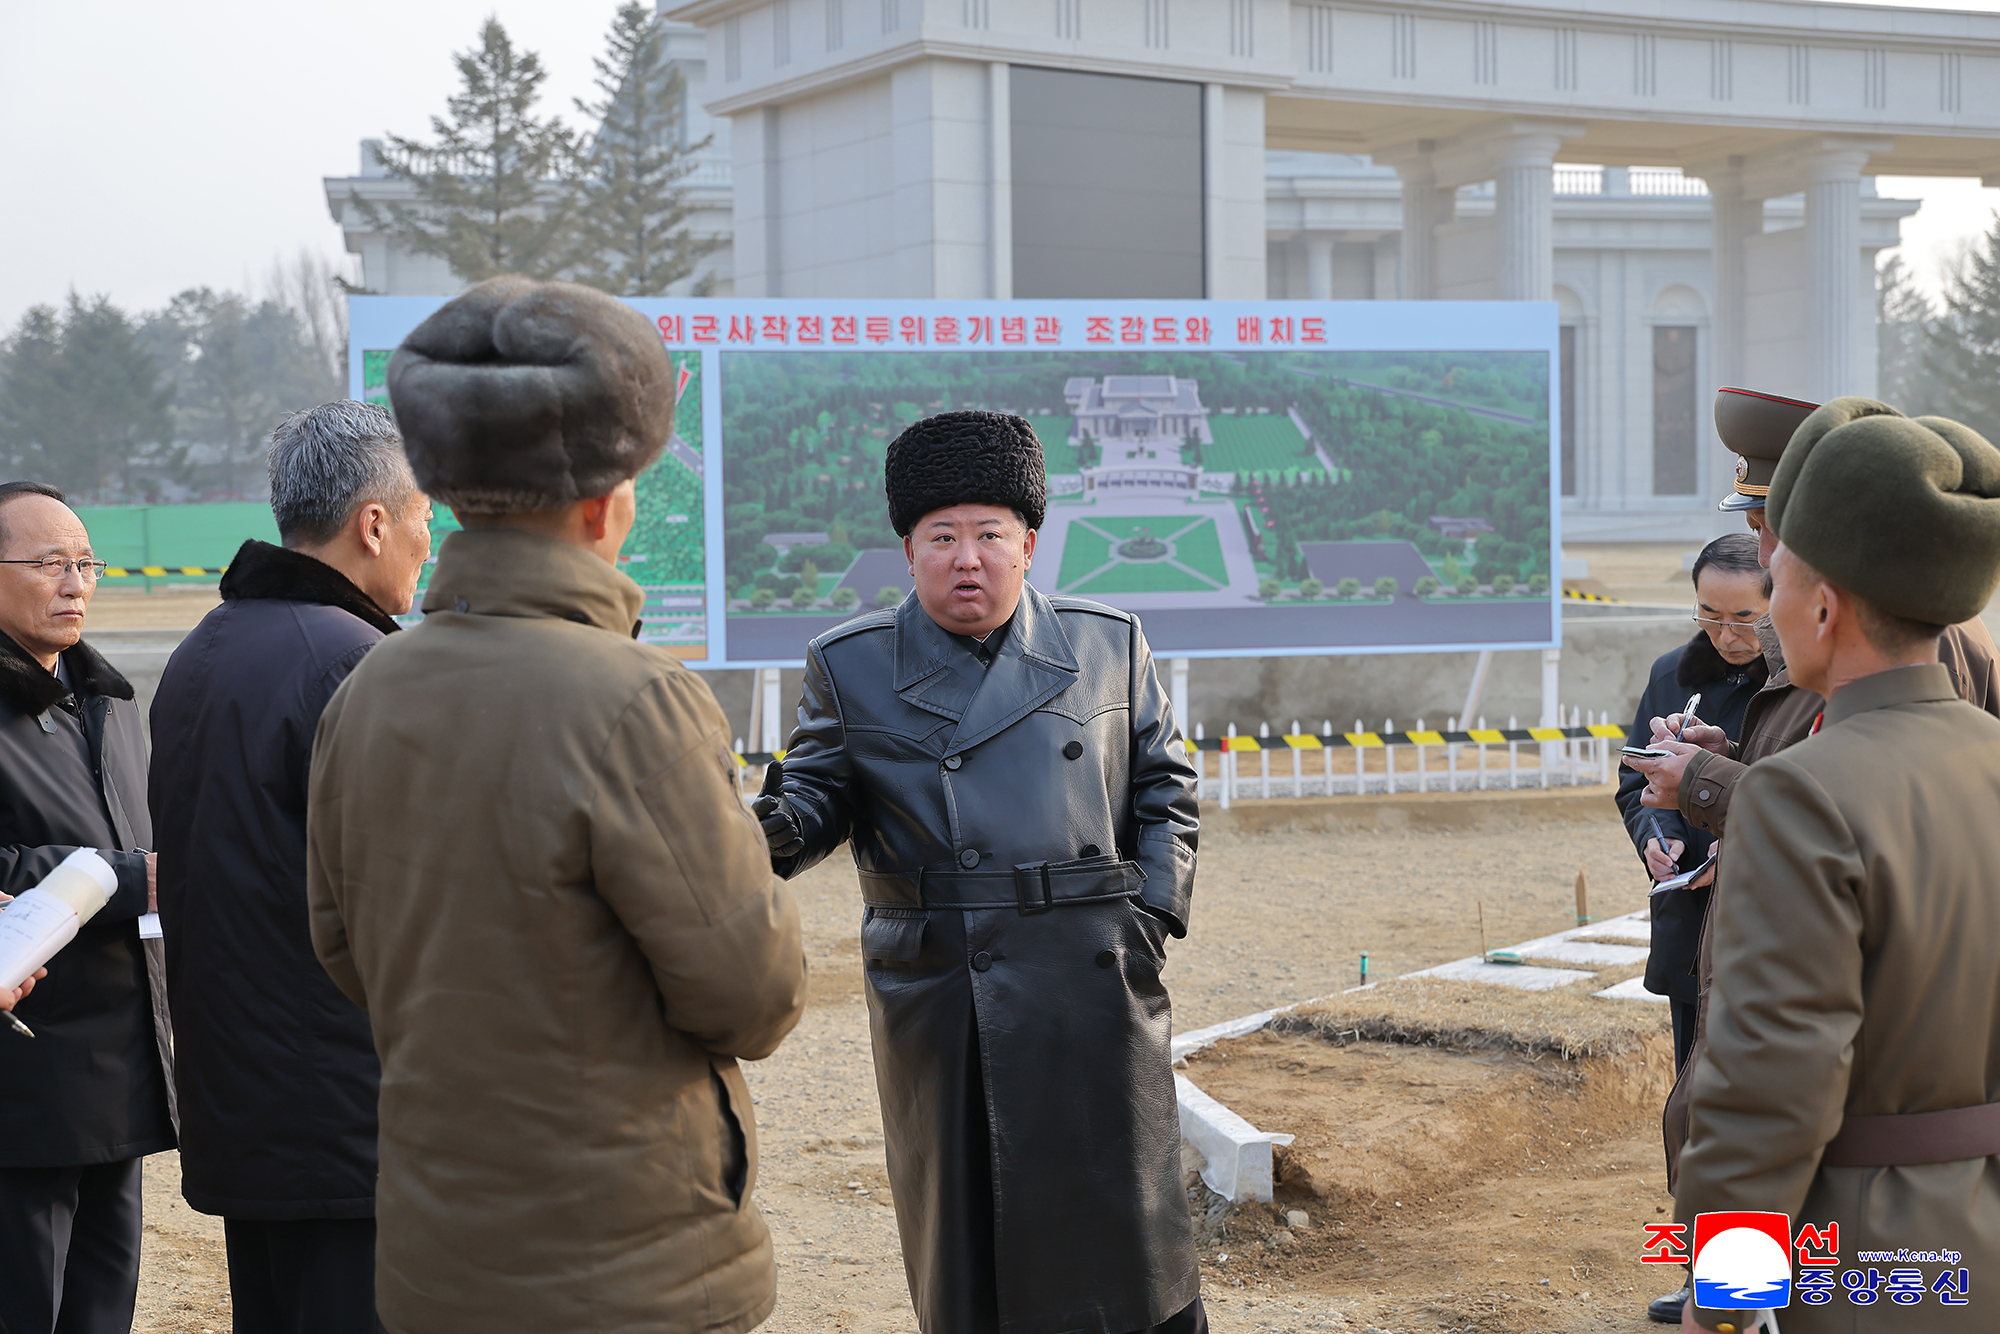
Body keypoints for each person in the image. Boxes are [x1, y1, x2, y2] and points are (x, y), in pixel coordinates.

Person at [306, 276, 807, 1333]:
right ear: (604, 504)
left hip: (437, 1252)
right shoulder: (634, 700)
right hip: (628, 1272)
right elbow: (748, 993)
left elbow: (345, 951)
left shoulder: (366, 689)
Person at [754, 410, 1205, 1334]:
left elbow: (1165, 785)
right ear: (907, 551)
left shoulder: (1108, 642)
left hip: (1092, 977)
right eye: (943, 536)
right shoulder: (852, 664)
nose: (969, 558)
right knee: (972, 1240)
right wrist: (759, 832)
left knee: (1126, 1237)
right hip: (948, 988)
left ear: (1029, 544)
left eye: (990, 535)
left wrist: (1147, 920)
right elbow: (816, 794)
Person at [1625, 389, 2000, 1325]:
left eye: (1777, 578)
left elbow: (1764, 1102)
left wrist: (1727, 1306)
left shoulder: (1803, 795)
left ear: (1824, 606)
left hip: (1868, 1260)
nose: (1762, 607)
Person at [149, 401, 431, 1333]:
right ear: (374, 522)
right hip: (350, 1116)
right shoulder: (354, 663)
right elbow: (408, 899)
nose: (428, 541)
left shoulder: (204, 650)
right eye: (424, 515)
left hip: (246, 1104)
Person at [0, 482, 174, 1334]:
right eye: (47, 563)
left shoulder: (109, 700)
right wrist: (116, 879)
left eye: (85, 563)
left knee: (105, 1300)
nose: (75, 583)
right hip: (26, 1070)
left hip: (120, 1064)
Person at [1614, 532, 1769, 1073]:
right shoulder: (1670, 674)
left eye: (1745, 617)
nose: (1726, 635)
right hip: (1690, 916)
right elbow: (1637, 782)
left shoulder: (1805, 684)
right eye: (1709, 614)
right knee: (1692, 1085)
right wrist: (1656, 838)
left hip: (1769, 929)